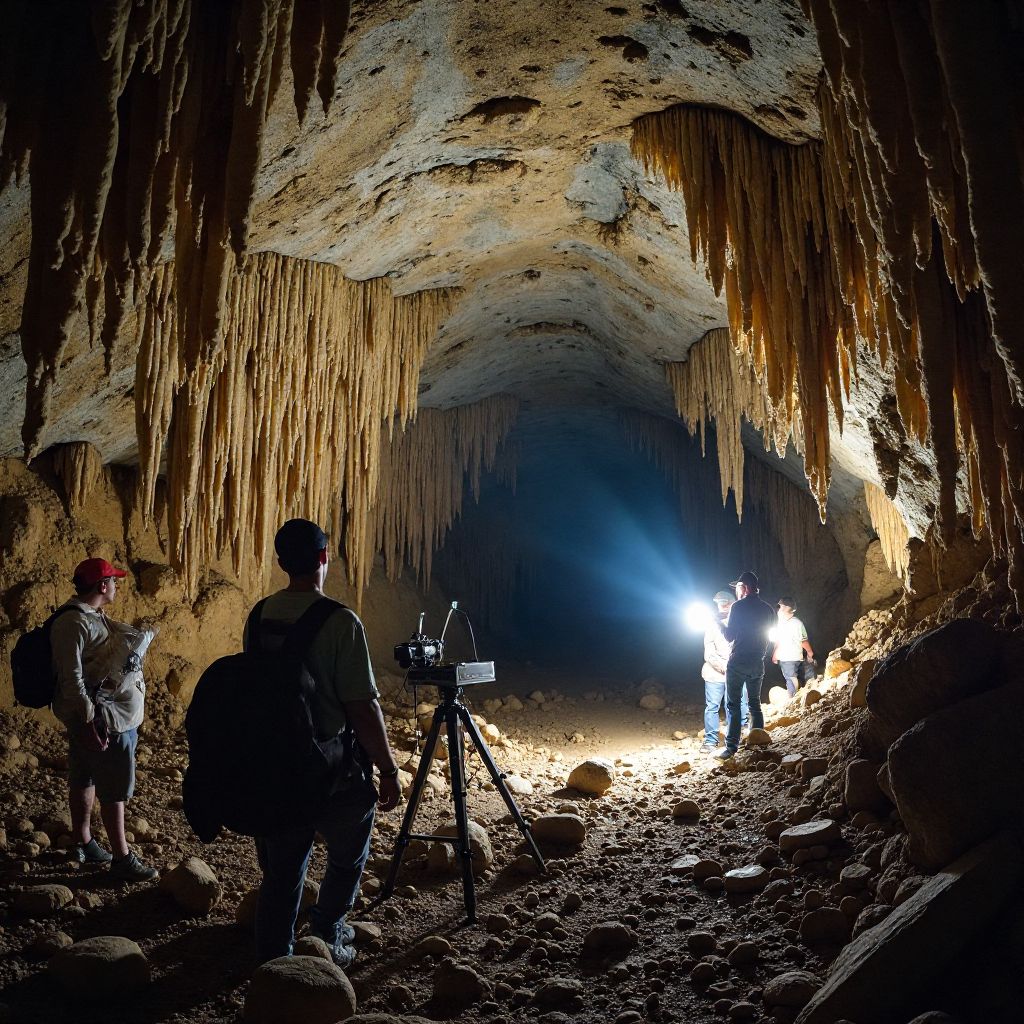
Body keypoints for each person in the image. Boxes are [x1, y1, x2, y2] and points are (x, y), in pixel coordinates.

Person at [245, 518, 401, 968]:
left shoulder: (258, 615)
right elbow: (362, 708)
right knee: (350, 853)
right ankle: (328, 928)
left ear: (280, 563)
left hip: (274, 763)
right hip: (330, 768)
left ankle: (274, 961)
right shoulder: (341, 622)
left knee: (281, 869)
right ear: (323, 558)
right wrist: (388, 769)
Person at [51, 558, 159, 881]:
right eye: (113, 580)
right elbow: (72, 680)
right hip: (103, 722)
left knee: (84, 776)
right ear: (101, 586)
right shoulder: (73, 624)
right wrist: (88, 723)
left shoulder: (90, 616)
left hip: (101, 718)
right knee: (113, 786)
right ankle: (122, 858)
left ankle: (83, 841)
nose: (116, 585)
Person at [716, 570, 776, 761]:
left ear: (746, 587)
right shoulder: (768, 609)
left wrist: (718, 624)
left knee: (733, 705)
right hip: (758, 662)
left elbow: (729, 636)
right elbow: (770, 636)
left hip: (739, 661)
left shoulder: (738, 607)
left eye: (739, 587)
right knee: (754, 704)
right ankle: (758, 743)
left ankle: (731, 748)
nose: (737, 591)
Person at [701, 590, 749, 752]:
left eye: (726, 603)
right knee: (712, 707)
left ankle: (735, 738)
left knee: (735, 705)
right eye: (720, 603)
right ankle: (710, 741)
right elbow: (708, 651)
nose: (723, 606)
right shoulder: (711, 624)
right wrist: (723, 667)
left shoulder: (741, 622)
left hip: (735, 672)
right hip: (715, 673)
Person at [772, 597, 815, 697]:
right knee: (792, 677)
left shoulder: (796, 623)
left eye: (780, 607)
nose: (778, 610)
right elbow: (779, 641)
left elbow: (803, 641)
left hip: (790, 657)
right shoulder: (781, 624)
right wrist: (775, 655)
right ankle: (800, 694)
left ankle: (792, 699)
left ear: (786, 608)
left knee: (791, 678)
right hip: (790, 657)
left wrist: (809, 652)